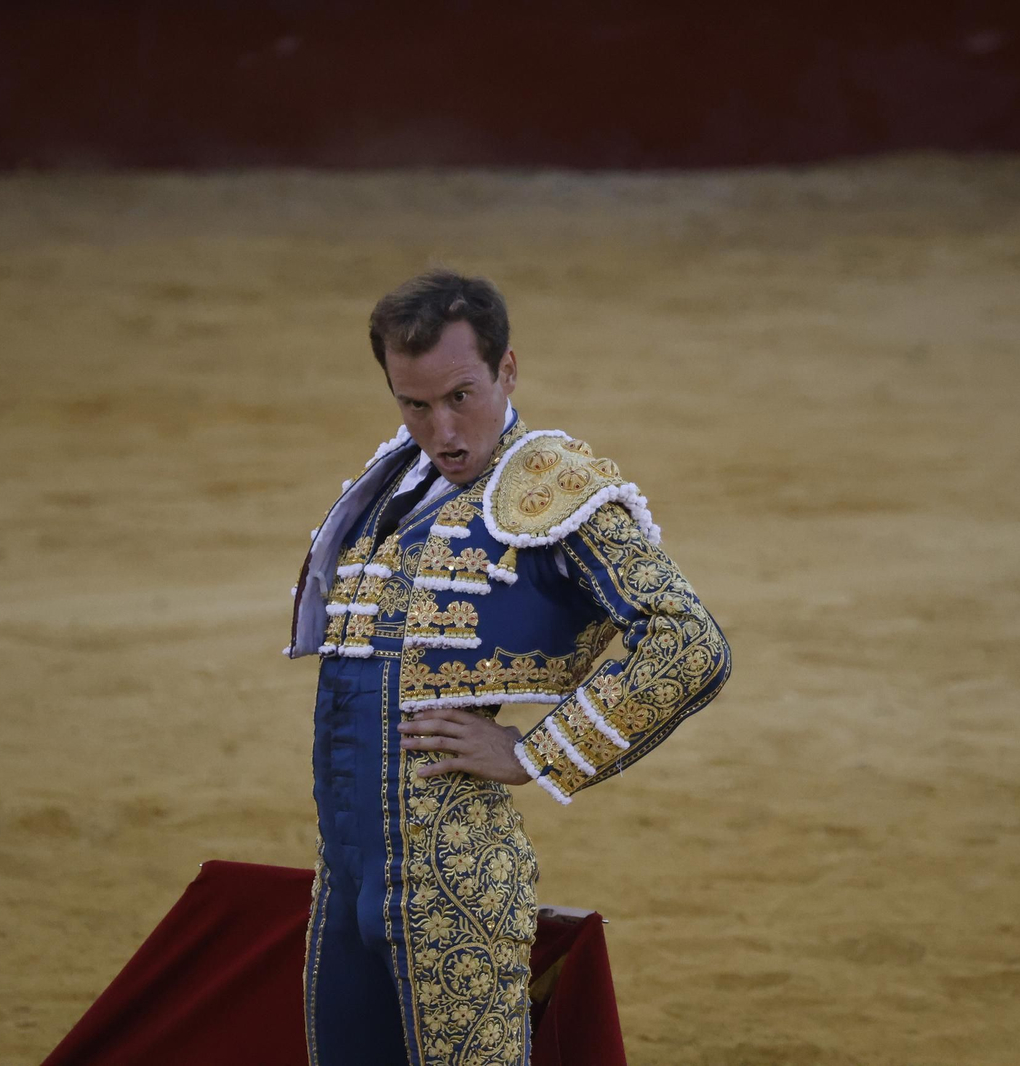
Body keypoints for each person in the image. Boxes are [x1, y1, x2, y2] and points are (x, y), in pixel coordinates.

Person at [284, 269, 731, 1065]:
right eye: (414, 405)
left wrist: (534, 754)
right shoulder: (393, 484)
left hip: (450, 889)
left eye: (462, 396)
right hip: (344, 883)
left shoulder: (549, 486)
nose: (442, 430)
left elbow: (688, 642)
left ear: (508, 371)